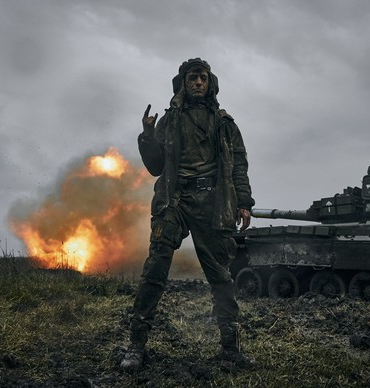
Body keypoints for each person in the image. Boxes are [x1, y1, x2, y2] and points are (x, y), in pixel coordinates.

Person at [120, 58, 256, 370]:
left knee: (221, 275)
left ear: (211, 83)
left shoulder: (225, 124)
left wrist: (244, 200)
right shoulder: (169, 121)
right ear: (182, 83)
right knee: (155, 268)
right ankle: (136, 347)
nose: (197, 83)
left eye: (202, 78)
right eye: (192, 78)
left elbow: (239, 165)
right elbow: (155, 166)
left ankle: (231, 349)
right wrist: (146, 135)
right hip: (175, 199)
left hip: (213, 202)